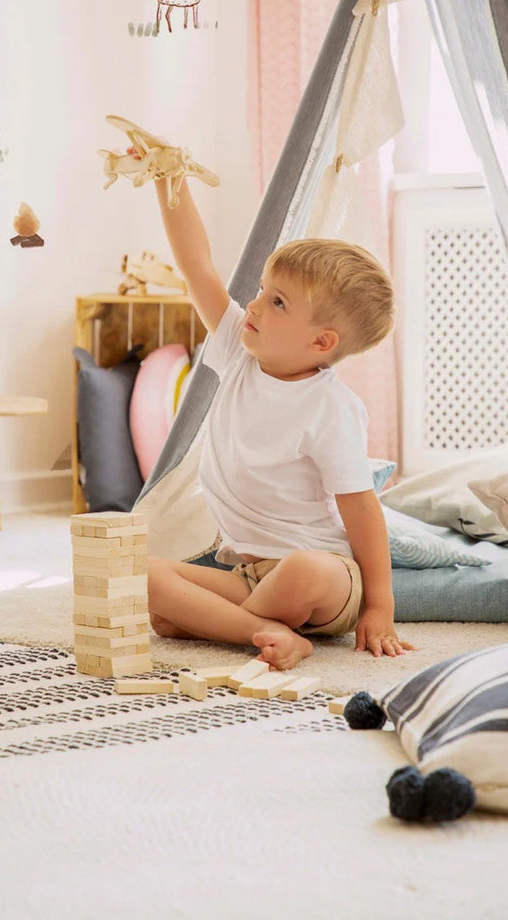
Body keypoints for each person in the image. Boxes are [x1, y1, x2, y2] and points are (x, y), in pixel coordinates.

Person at [146, 174, 415, 671]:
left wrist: (379, 604)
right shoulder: (237, 351)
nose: (252, 304)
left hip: (326, 577)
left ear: (322, 343)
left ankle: (230, 623)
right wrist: (169, 182)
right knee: (142, 576)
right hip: (249, 578)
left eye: (278, 302)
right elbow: (196, 265)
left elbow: (361, 511)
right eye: (262, 290)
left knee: (303, 570)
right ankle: (266, 631)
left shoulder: (330, 409)